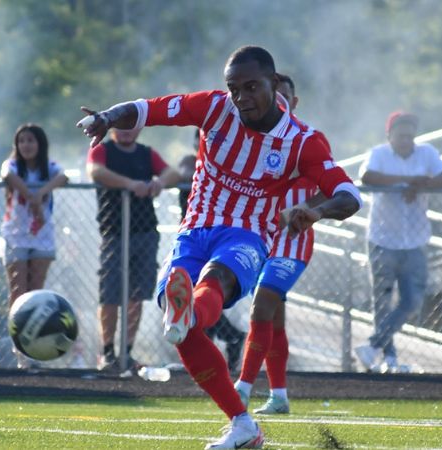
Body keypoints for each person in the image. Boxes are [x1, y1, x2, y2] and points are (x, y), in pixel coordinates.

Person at [78, 45, 361, 450]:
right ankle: (243, 424)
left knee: (213, 283)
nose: (241, 98)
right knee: (182, 332)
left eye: (251, 87)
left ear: (273, 83)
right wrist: (105, 118)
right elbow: (147, 109)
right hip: (194, 231)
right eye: (234, 89)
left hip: (247, 235)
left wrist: (317, 212)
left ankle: (188, 308)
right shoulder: (214, 108)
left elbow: (349, 196)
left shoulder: (303, 141)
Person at [234, 73, 312, 414]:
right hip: (258, 237)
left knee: (261, 307)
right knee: (272, 319)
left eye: (284, 95)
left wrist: (310, 209)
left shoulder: (309, 139)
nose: (277, 100)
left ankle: (242, 388)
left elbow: (336, 186)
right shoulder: (250, 140)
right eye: (273, 94)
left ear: (293, 102)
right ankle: (278, 396)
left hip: (291, 243)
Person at [355, 111, 442, 372]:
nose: (406, 140)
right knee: (382, 300)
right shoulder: (378, 153)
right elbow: (367, 176)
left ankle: (373, 346)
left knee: (412, 300)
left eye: (410, 135)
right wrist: (410, 182)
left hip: (415, 240)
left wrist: (424, 185)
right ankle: (389, 357)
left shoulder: (426, 153)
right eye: (401, 135)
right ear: (389, 136)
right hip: (383, 238)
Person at [87, 127, 181, 371]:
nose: (126, 132)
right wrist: (130, 184)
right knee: (110, 294)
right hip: (113, 231)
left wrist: (158, 182)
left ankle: (126, 351)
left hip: (144, 231)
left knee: (136, 295)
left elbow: (173, 172)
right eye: (121, 127)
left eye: (131, 127)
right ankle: (107, 351)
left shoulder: (146, 153)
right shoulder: (103, 150)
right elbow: (95, 171)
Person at [178, 129, 247, 372]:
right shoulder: (191, 162)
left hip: (219, 239)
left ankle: (224, 344)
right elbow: (183, 174)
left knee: (206, 293)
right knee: (186, 296)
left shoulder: (231, 166)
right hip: (193, 240)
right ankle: (230, 337)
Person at [1, 123, 68, 368]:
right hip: (16, 234)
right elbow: (7, 176)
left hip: (41, 235)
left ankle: (33, 347)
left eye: (31, 140)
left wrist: (42, 193)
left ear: (40, 144)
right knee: (18, 290)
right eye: (22, 141)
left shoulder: (48, 168)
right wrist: (31, 196)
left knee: (36, 290)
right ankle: (19, 346)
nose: (26, 145)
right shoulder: (13, 166)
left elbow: (64, 176)